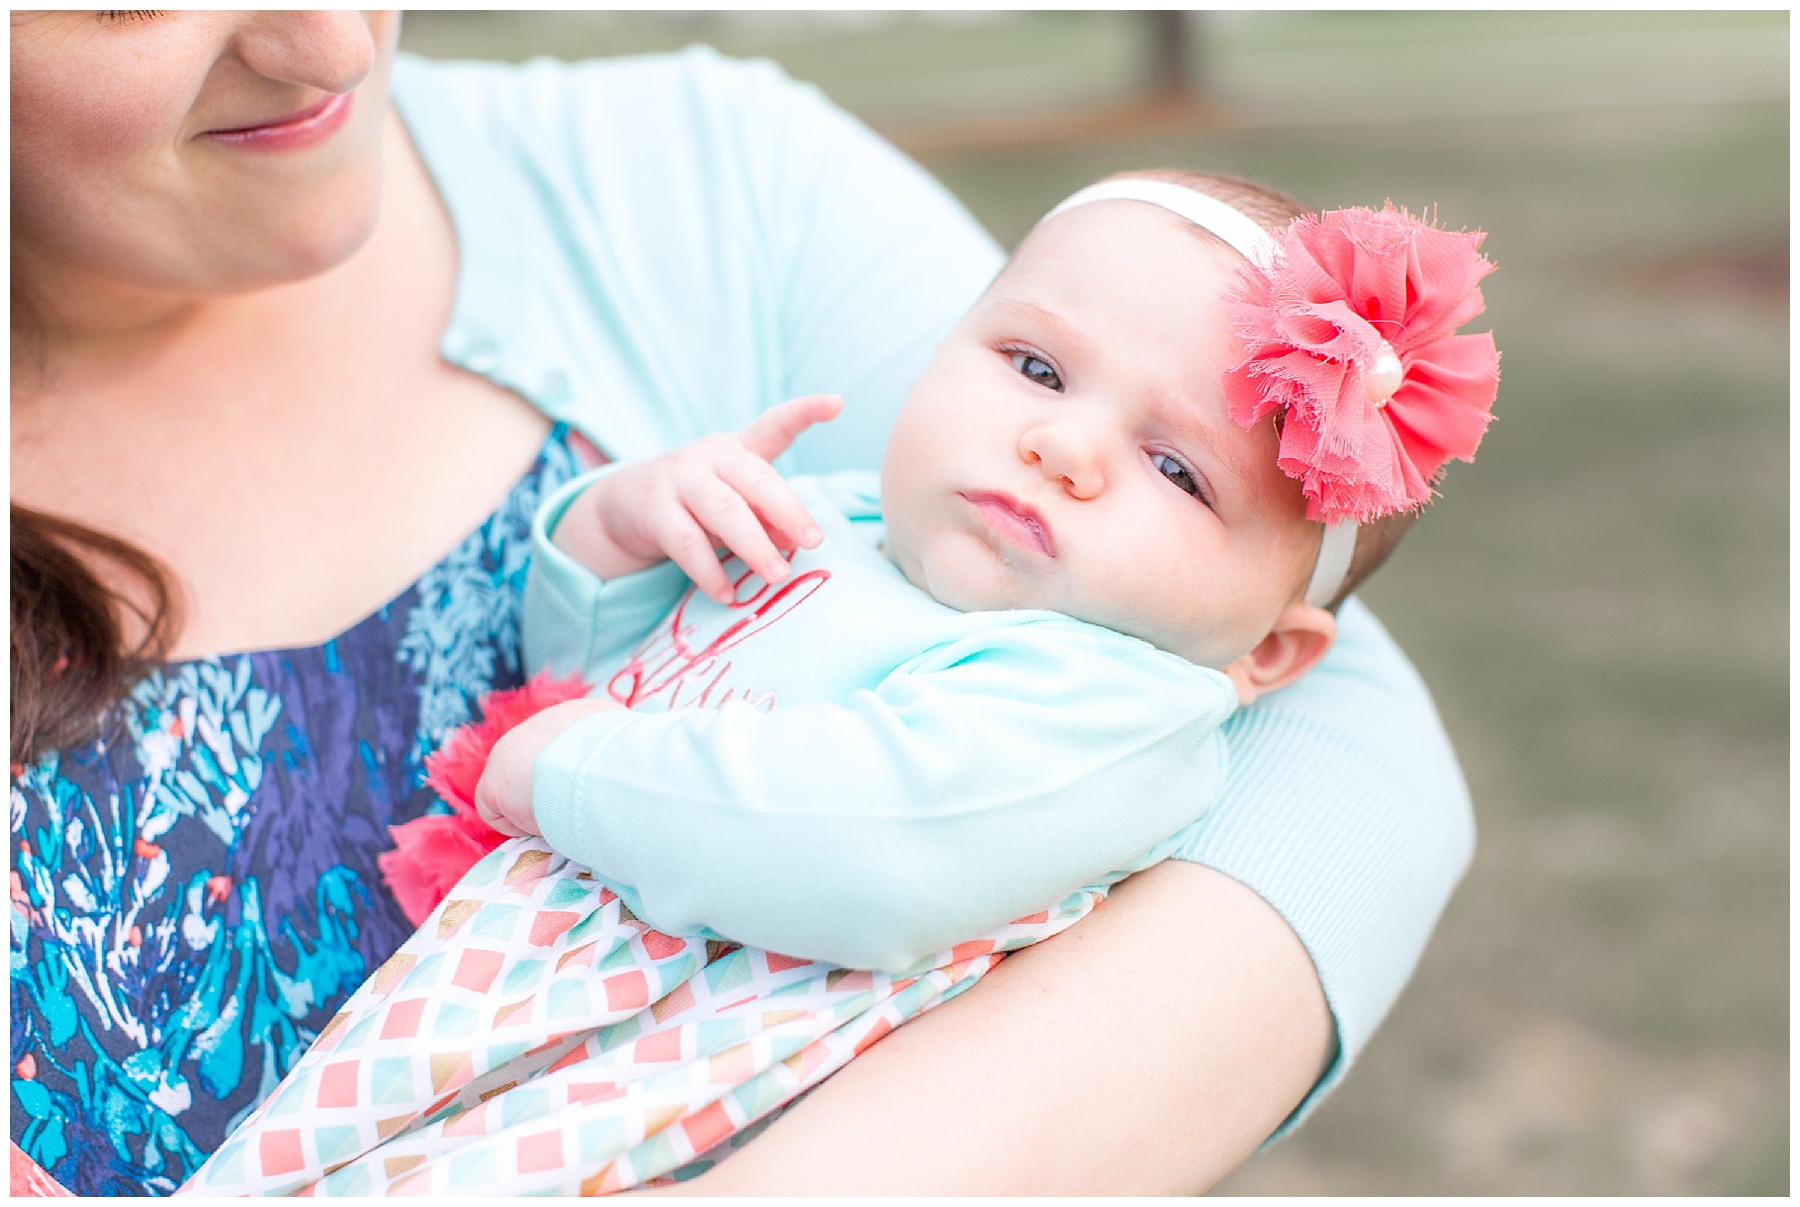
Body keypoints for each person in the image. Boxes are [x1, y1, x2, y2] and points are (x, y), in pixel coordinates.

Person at [9, 11, 1473, 1197]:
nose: (1063, 445)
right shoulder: (854, 529)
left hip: (632, 1091)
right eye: (1034, 369)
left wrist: (564, 775)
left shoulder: (1106, 696)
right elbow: (615, 672)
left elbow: (886, 842)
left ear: (1269, 651)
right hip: (475, 1015)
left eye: (1178, 469)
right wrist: (612, 541)